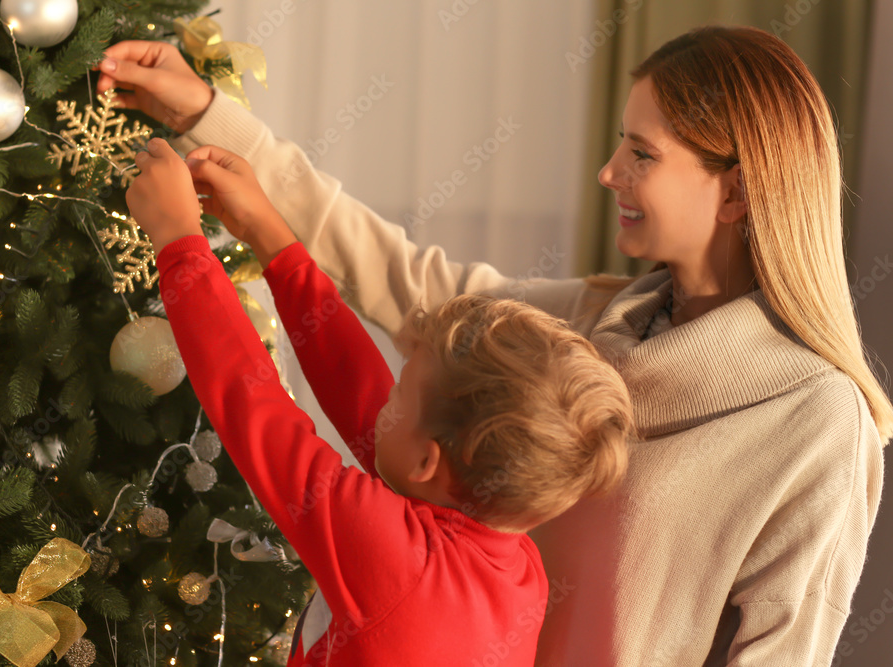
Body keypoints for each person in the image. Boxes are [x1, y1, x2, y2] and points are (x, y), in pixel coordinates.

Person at [100, 24, 891, 665]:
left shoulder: (818, 422)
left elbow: (260, 411)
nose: (608, 171)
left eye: (643, 153)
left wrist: (179, 244)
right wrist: (210, 117)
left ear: (740, 189)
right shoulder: (584, 327)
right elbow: (400, 296)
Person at [125, 137, 634, 665]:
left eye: (401, 393)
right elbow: (357, 386)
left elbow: (255, 410)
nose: (382, 397)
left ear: (427, 460)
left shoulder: (397, 561)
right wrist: (268, 234)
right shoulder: (514, 560)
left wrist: (179, 241)